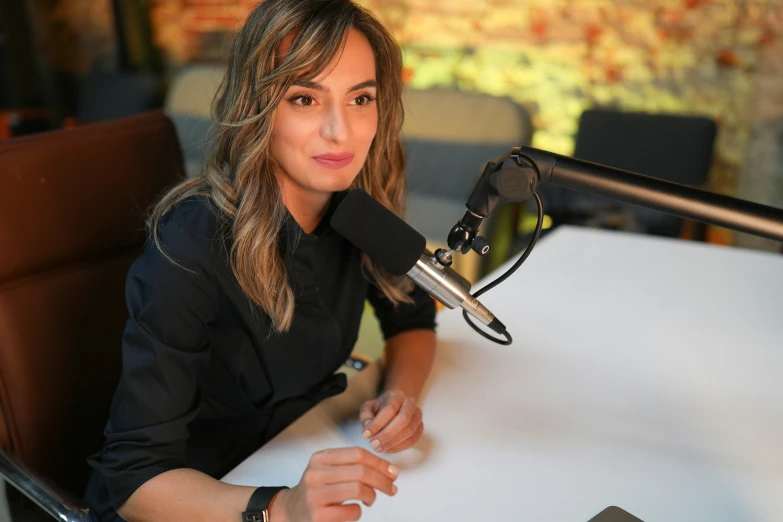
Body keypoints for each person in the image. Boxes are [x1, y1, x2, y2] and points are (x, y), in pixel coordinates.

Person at [83, 1, 437, 521]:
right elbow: (133, 483)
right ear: (256, 107)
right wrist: (281, 509)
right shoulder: (189, 246)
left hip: (290, 451)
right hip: (203, 499)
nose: (341, 132)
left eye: (361, 98)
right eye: (304, 99)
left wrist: (400, 397)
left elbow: (412, 317)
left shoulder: (357, 208)